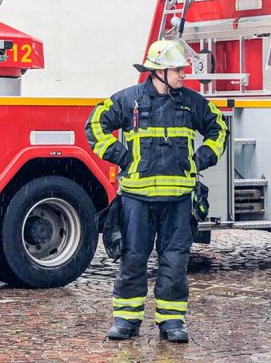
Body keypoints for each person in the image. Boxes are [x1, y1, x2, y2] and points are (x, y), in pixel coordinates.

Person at [85, 38, 227, 344]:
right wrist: (123, 157)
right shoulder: (129, 100)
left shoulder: (192, 102)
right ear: (159, 71)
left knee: (175, 261)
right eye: (178, 70)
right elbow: (95, 124)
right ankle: (126, 320)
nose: (183, 75)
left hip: (178, 199)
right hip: (137, 198)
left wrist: (200, 159)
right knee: (133, 258)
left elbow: (219, 128)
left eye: (183, 69)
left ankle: (172, 321)